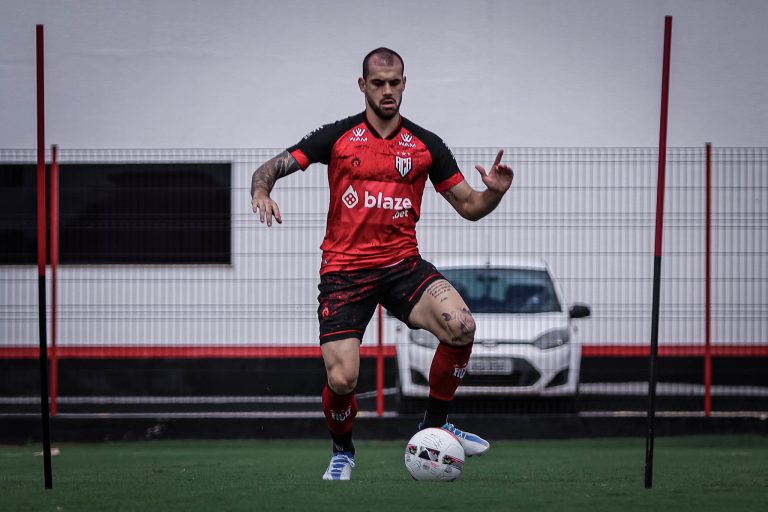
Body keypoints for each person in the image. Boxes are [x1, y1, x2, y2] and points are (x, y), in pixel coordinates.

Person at [250, 47, 514, 481]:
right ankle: (343, 451)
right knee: (342, 381)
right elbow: (271, 167)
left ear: (405, 84)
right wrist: (261, 192)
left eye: (395, 82)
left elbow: (469, 204)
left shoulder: (426, 145)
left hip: (401, 266)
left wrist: (495, 193)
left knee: (462, 325)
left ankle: (434, 424)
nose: (387, 90)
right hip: (344, 273)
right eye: (378, 83)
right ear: (363, 86)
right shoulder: (336, 137)